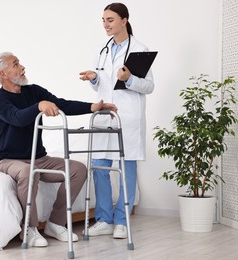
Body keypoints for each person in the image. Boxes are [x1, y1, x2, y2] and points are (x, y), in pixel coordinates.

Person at [0, 52, 117, 247]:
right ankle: (29, 229)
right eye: (15, 64)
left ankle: (55, 223)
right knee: (27, 171)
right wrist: (39, 106)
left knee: (78, 169)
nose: (22, 66)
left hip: (39, 157)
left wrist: (93, 107)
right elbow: (17, 118)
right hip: (9, 160)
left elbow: (62, 104)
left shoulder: (33, 91)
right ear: (3, 73)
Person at [79, 3, 154, 239]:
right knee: (100, 167)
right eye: (103, 20)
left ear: (124, 20)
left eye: (110, 20)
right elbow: (103, 86)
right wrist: (93, 79)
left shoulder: (140, 50)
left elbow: (149, 86)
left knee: (126, 168)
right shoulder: (102, 50)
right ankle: (103, 219)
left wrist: (130, 78)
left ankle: (122, 220)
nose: (105, 25)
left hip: (128, 118)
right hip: (104, 116)